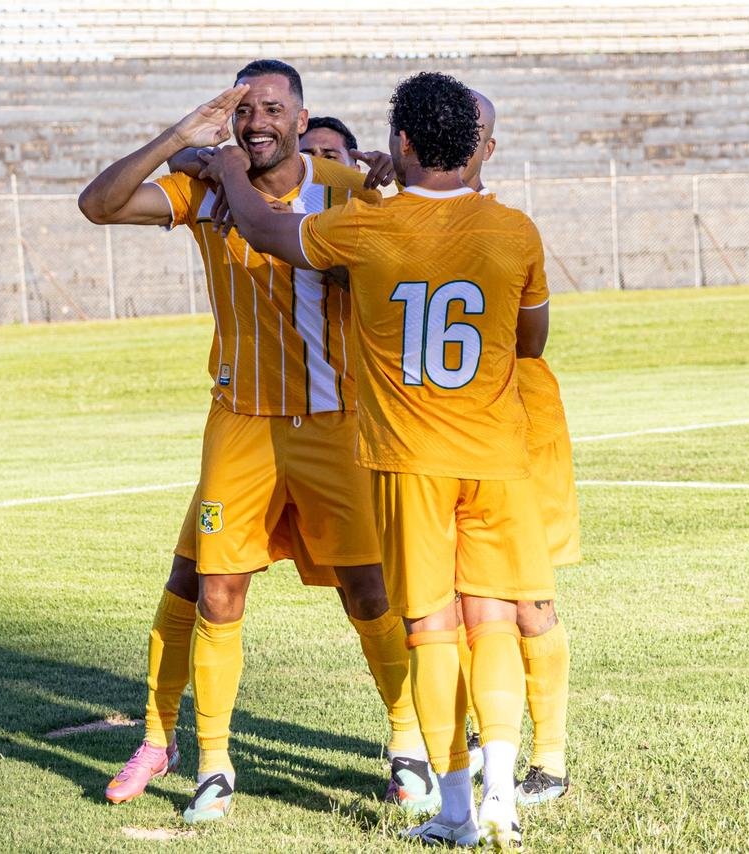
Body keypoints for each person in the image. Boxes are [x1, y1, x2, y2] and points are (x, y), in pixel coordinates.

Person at [202, 70, 552, 848]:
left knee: (430, 628)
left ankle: (456, 811)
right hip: (495, 454)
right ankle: (504, 795)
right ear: (473, 146)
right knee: (492, 618)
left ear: (398, 143)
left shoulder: (370, 228)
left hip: (408, 457)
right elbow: (531, 341)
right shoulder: (517, 230)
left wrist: (228, 165)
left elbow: (264, 232)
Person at [77, 60, 432, 824]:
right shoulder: (207, 192)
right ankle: (211, 763)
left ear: (302, 119)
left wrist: (382, 181)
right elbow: (98, 205)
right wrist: (181, 134)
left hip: (334, 426)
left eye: (273, 107)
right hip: (240, 424)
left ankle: (407, 746)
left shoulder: (343, 189)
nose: (257, 120)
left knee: (368, 590)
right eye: (244, 109)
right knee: (214, 589)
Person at [460, 89, 579, 806]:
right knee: (454, 602)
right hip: (437, 437)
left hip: (519, 429)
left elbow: (532, 340)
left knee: (527, 601)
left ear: (487, 148)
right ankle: (479, 739)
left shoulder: (507, 228)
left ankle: (550, 759)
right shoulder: (398, 219)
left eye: (471, 132)